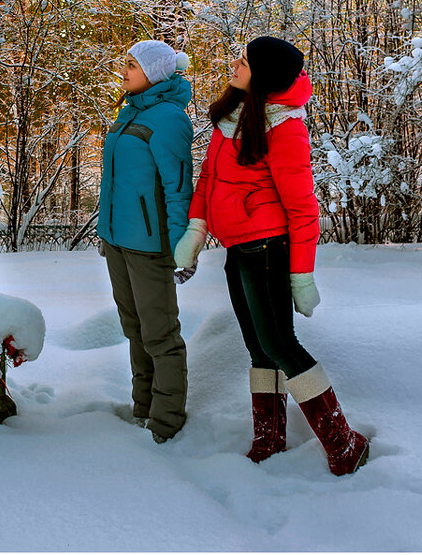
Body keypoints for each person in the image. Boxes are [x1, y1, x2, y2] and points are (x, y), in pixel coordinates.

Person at [174, 36, 369, 475]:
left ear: (263, 76)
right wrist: (196, 228)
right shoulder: (233, 116)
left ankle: (343, 443)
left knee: (281, 344)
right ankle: (270, 436)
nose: (234, 63)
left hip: (267, 249)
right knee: (257, 346)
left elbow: (303, 210)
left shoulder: (285, 127)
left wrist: (301, 276)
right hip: (237, 248)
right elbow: (208, 181)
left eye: (243, 60)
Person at [97, 40, 194, 444]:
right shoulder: (128, 112)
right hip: (119, 242)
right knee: (134, 328)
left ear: (154, 72)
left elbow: (178, 188)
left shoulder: (169, 118)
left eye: (132, 64)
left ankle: (166, 422)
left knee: (160, 334)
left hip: (151, 246)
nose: (124, 69)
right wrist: (106, 233)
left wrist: (181, 248)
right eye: (125, 63)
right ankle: (142, 409)